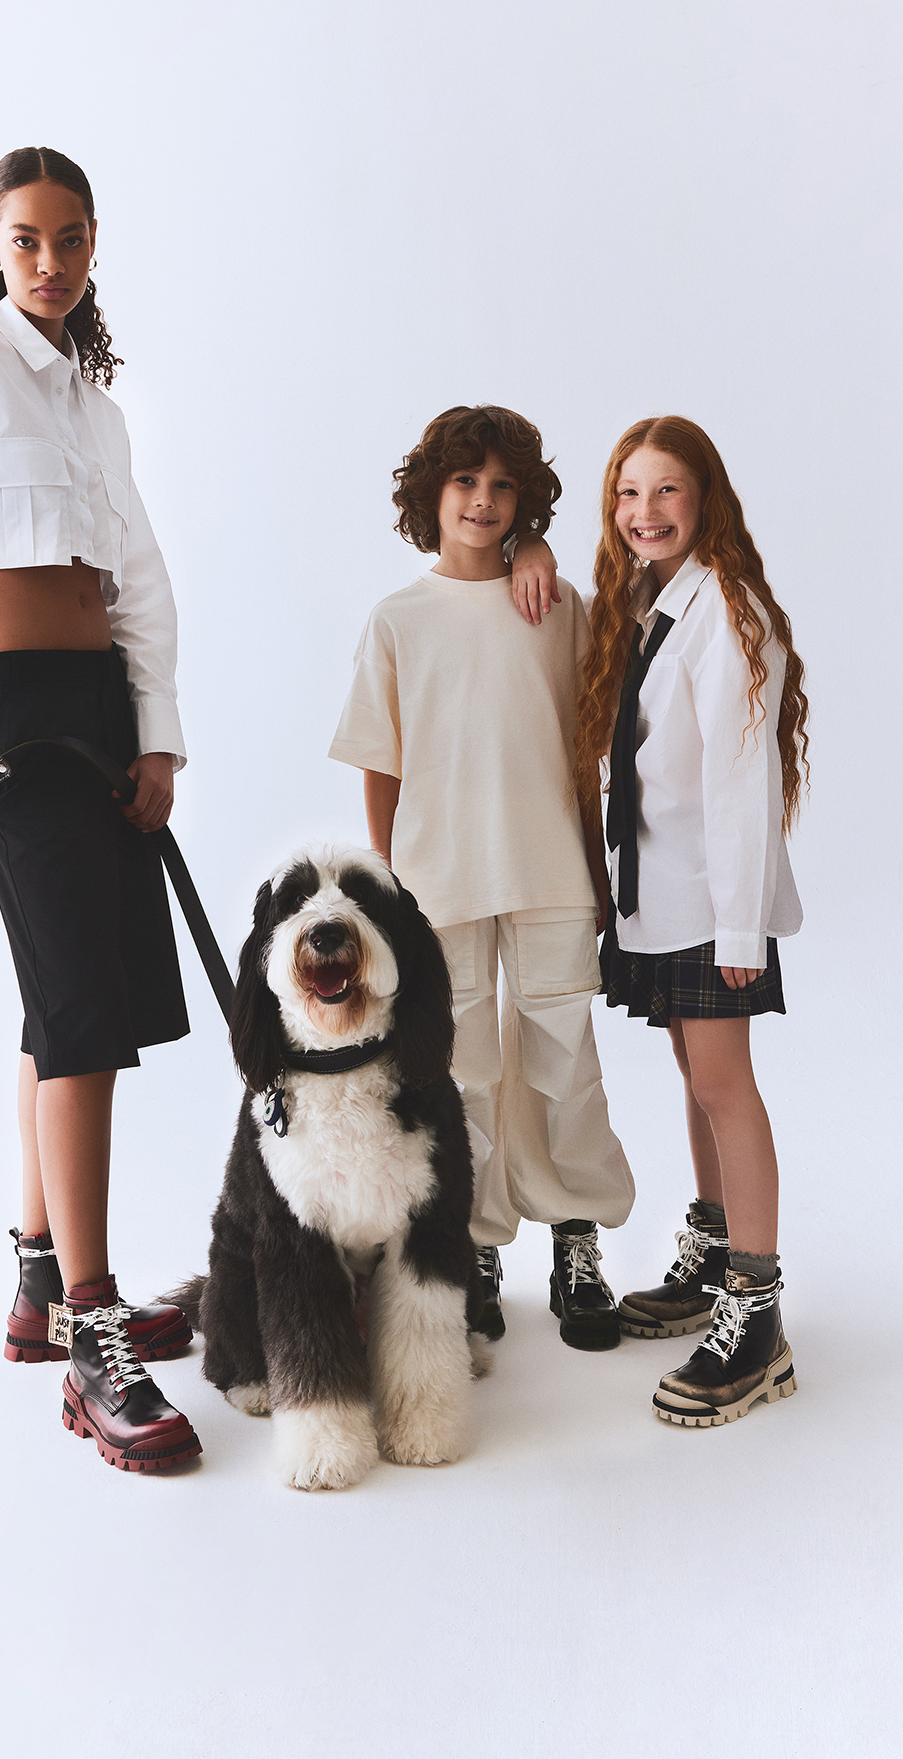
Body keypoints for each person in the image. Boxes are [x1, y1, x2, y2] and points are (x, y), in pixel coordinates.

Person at [0, 146, 201, 1473]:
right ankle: (92, 1332)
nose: (51, 261)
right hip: (8, 708)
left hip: (101, 703)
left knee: (77, 989)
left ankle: (37, 1285)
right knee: (80, 1012)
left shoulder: (94, 401)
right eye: (27, 239)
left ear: (93, 241)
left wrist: (158, 735)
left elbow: (140, 574)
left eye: (70, 238)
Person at [329, 406, 636, 1350]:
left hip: (550, 869)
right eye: (466, 481)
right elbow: (382, 763)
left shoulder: (555, 604)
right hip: (439, 882)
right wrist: (390, 885)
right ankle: (471, 1244)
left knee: (564, 1063)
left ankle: (576, 1238)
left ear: (525, 501)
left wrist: (595, 866)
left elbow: (585, 753)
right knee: (458, 1072)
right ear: (432, 494)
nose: (484, 500)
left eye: (504, 486)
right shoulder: (398, 619)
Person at [577, 415, 809, 1426]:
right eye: (629, 493)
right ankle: (714, 1250)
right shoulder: (648, 600)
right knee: (692, 1073)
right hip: (659, 897)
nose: (646, 511)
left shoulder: (727, 608)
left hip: (713, 903)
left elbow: (740, 784)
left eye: (667, 489)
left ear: (705, 496)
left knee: (725, 1084)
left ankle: (757, 1317)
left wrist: (742, 930)